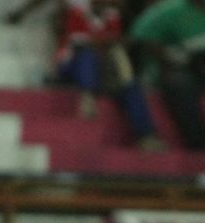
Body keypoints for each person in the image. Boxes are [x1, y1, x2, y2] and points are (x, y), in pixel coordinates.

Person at [129, 0, 205, 151]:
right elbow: (140, 34)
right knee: (180, 86)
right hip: (184, 66)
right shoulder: (167, 10)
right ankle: (200, 143)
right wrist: (170, 56)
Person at [56, 0, 162, 149]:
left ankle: (146, 136)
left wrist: (104, 42)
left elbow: (114, 42)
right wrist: (105, 42)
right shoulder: (77, 11)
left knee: (131, 88)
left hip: (104, 69)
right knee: (87, 54)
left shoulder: (112, 15)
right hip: (73, 67)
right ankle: (87, 96)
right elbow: (80, 43)